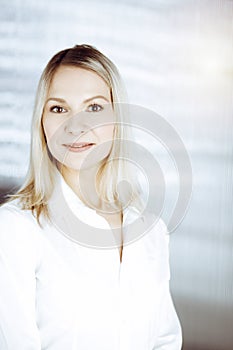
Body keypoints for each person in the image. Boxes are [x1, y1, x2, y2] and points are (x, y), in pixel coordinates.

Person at [0, 44, 182, 349]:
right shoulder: (16, 229)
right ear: (42, 123)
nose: (76, 126)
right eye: (59, 108)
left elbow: (166, 340)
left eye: (94, 107)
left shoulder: (152, 231)